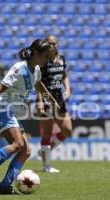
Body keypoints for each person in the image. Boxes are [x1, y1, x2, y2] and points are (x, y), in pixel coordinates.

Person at [0, 39, 60, 194]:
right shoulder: (19, 68)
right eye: (45, 56)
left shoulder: (37, 70)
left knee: (26, 151)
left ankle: (5, 185)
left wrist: (52, 101)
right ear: (37, 54)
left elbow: (39, 85)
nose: (47, 59)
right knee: (18, 144)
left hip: (14, 113)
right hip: (4, 109)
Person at [36, 35, 73, 173]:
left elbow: (65, 75)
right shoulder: (43, 60)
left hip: (59, 97)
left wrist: (68, 89)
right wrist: (40, 101)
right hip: (46, 96)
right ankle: (47, 166)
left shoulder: (61, 58)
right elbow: (37, 82)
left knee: (67, 130)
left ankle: (45, 151)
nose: (52, 46)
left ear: (57, 45)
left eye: (54, 43)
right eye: (49, 43)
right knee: (47, 132)